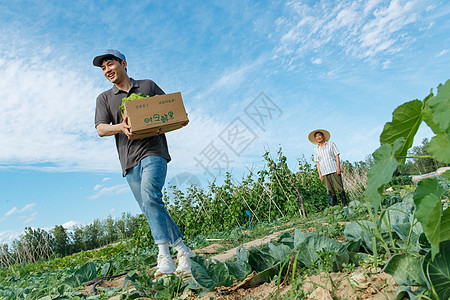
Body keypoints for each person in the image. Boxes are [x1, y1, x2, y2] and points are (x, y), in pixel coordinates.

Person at [93, 49, 195, 277]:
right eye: (103, 68)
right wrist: (121, 127)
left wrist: (180, 117)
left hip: (154, 151)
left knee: (150, 197)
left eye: (110, 64)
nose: (107, 70)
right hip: (128, 162)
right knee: (150, 206)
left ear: (123, 64)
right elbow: (100, 128)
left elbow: (169, 109)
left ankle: (164, 257)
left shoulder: (147, 86)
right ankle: (183, 250)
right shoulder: (105, 98)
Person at [308, 129, 349, 207]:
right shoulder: (316, 150)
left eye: (319, 135)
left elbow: (336, 156)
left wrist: (338, 168)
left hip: (334, 169)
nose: (318, 137)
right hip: (324, 172)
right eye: (316, 136)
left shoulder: (331, 144)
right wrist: (320, 174)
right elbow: (317, 162)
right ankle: (335, 208)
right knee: (329, 190)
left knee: (339, 188)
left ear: (323, 136)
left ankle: (345, 205)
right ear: (315, 139)